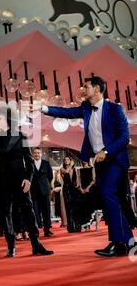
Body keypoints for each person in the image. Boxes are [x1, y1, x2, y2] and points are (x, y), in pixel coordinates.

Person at [40, 76, 134, 256]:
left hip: (114, 159)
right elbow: (66, 113)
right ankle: (127, 242)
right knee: (109, 198)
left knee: (107, 194)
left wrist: (105, 152)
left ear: (97, 89)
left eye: (87, 86)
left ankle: (117, 242)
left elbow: (124, 137)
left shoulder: (115, 109)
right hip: (98, 162)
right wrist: (44, 108)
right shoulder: (85, 108)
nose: (83, 89)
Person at [0, 106, 53, 257]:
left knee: (29, 211)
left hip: (20, 180)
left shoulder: (21, 136)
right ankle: (11, 247)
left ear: (8, 119)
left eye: (0, 117)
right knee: (5, 213)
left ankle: (36, 244)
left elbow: (29, 161)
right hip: (2, 181)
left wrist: (28, 179)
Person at [31, 147, 54, 237]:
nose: (37, 154)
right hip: (33, 190)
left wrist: (44, 184)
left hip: (45, 190)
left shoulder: (46, 163)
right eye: (35, 153)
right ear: (33, 154)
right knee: (35, 211)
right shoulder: (30, 163)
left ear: (41, 154)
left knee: (46, 211)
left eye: (38, 153)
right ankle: (36, 230)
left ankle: (47, 230)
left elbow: (50, 176)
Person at [60, 156, 80, 233]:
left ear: (70, 160)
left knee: (76, 208)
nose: (66, 161)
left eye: (68, 159)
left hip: (74, 189)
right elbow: (66, 172)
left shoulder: (74, 169)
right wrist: (71, 165)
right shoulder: (62, 169)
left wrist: (77, 186)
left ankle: (78, 226)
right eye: (65, 160)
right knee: (69, 208)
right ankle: (70, 227)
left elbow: (77, 179)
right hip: (67, 189)